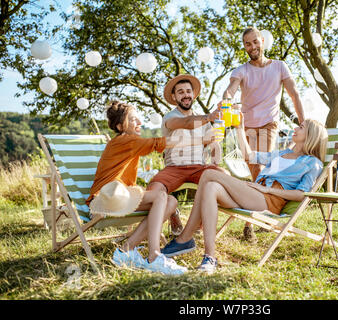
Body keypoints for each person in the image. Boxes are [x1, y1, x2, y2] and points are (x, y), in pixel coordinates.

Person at [161, 116, 328, 273]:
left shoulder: (313, 163)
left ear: (311, 135)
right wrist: (240, 128)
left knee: (208, 174)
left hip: (268, 201)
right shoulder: (282, 153)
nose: (295, 128)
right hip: (254, 193)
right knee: (211, 187)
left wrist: (269, 190)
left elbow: (301, 194)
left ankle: (184, 238)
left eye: (301, 127)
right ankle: (210, 257)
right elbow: (249, 156)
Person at [86, 101, 222, 275]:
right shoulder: (126, 140)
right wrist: (201, 139)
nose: (140, 123)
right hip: (105, 199)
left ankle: (125, 250)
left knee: (171, 201)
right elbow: (163, 142)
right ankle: (154, 256)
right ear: (120, 126)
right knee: (159, 196)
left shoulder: (128, 141)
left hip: (120, 197)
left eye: (138, 119)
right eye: (133, 119)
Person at [220, 26, 306, 241]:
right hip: (247, 125)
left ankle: (252, 221)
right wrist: (227, 98)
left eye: (255, 42)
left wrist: (303, 123)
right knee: (255, 173)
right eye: (247, 44)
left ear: (263, 42)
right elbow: (232, 87)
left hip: (269, 124)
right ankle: (253, 218)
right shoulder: (241, 70)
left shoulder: (279, 66)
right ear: (244, 47)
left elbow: (294, 94)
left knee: (264, 171)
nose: (252, 47)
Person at [147, 74, 227, 209]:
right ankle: (172, 212)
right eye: (181, 92)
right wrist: (209, 116)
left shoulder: (203, 119)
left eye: (188, 91)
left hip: (198, 167)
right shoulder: (170, 117)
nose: (186, 95)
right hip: (174, 168)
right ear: (174, 97)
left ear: (193, 94)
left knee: (225, 176)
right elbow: (186, 123)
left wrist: (214, 162)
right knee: (153, 190)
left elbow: (213, 143)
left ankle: (200, 223)